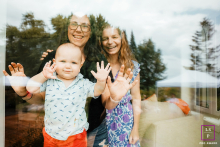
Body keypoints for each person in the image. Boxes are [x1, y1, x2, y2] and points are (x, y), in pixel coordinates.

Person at [3, 13, 138, 147]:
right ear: (67, 28)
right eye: (74, 24)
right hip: (53, 134)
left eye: (84, 26)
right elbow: (40, 96)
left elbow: (102, 96)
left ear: (90, 32)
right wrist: (23, 91)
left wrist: (114, 97)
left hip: (87, 135)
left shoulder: (97, 62)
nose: (78, 29)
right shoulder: (51, 61)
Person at [26, 43, 112, 146]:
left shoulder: (83, 84)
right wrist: (43, 75)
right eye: (63, 61)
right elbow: (30, 87)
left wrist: (101, 81)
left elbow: (97, 90)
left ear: (80, 64)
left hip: (76, 136)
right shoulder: (49, 80)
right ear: (55, 62)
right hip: (51, 135)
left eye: (73, 62)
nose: (68, 66)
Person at [100, 25, 141, 146]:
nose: (110, 42)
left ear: (122, 39)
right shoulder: (100, 65)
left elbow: (137, 98)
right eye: (105, 38)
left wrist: (135, 128)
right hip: (104, 122)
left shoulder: (132, 66)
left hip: (126, 121)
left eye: (114, 37)